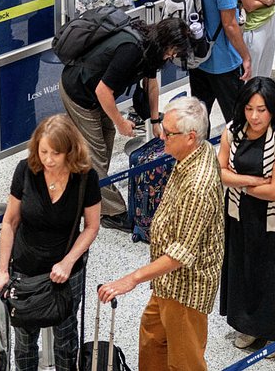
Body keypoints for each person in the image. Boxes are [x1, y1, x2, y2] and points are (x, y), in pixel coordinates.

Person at [93, 98, 224, 371]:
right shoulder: (192, 153)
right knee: (152, 340)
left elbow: (181, 253)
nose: (161, 136)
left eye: (168, 133)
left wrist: (132, 279)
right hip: (165, 281)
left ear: (190, 137)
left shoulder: (198, 185)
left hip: (186, 289)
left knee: (184, 361)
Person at [61, 10, 189, 235]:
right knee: (95, 155)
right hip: (80, 92)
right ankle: (112, 212)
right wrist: (121, 122)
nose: (171, 56)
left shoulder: (151, 48)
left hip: (96, 93)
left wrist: (155, 120)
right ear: (166, 42)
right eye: (172, 51)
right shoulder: (131, 49)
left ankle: (88, 189)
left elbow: (151, 84)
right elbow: (103, 91)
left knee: (103, 145)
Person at [0, 114, 99, 371]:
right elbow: (10, 222)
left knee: (65, 340)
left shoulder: (86, 177)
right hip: (25, 269)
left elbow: (92, 226)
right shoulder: (25, 170)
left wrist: (68, 261)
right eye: (43, 152)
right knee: (25, 342)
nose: (48, 160)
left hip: (65, 273)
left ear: (70, 152)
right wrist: (2, 270)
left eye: (56, 153)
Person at [217, 79, 275, 352]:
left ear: (274, 110)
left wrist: (238, 182)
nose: (254, 116)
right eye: (249, 109)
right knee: (241, 269)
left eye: (262, 110)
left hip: (272, 219)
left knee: (271, 274)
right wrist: (250, 181)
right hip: (238, 214)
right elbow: (219, 172)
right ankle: (246, 325)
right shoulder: (231, 132)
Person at [184, 0, 251, 123]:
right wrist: (245, 57)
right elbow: (229, 24)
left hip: (197, 55)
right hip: (223, 62)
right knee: (238, 120)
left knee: (199, 118)